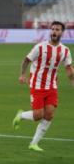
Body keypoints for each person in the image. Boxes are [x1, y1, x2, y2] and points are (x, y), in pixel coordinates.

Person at [13, 21, 74, 151]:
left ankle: (34, 143)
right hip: (37, 85)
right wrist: (22, 74)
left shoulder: (65, 50)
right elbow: (26, 60)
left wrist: (72, 81)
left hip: (52, 87)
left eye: (57, 29)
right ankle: (21, 115)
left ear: (62, 32)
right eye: (52, 29)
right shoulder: (40, 47)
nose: (54, 32)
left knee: (49, 115)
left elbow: (69, 68)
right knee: (38, 115)